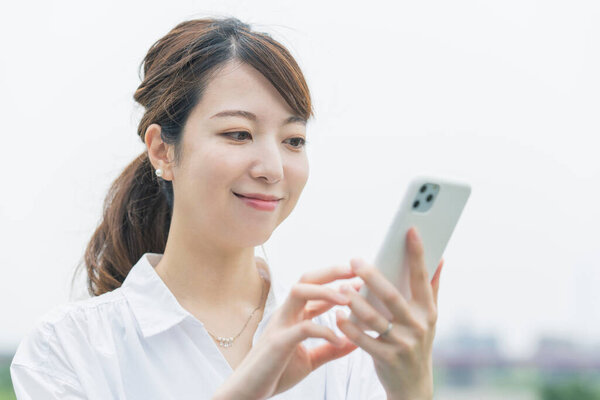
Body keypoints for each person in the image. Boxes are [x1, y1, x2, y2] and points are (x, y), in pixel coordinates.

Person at [10, 17, 444, 399]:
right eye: (238, 134)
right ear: (162, 150)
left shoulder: (340, 346)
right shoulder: (68, 349)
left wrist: (412, 390)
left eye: (293, 140)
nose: (273, 168)